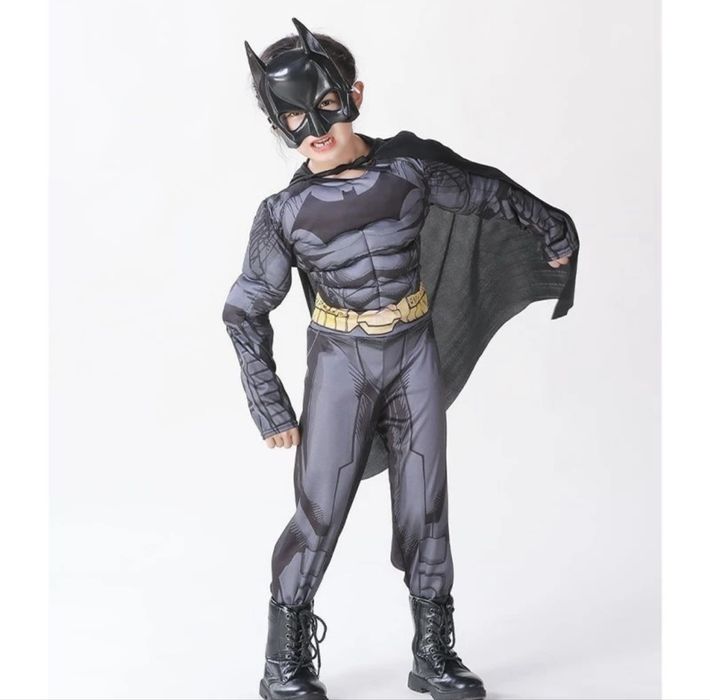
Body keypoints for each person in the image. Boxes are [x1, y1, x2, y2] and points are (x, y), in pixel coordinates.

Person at [223, 17, 579, 700]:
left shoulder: (410, 168)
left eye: (325, 105)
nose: (312, 128)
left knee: (425, 502)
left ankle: (433, 653)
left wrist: (551, 226)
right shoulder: (283, 213)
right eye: (292, 117)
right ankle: (283, 662)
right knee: (319, 511)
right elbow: (244, 308)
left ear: (353, 94)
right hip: (340, 364)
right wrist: (269, 402)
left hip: (413, 352)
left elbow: (488, 191)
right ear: (276, 124)